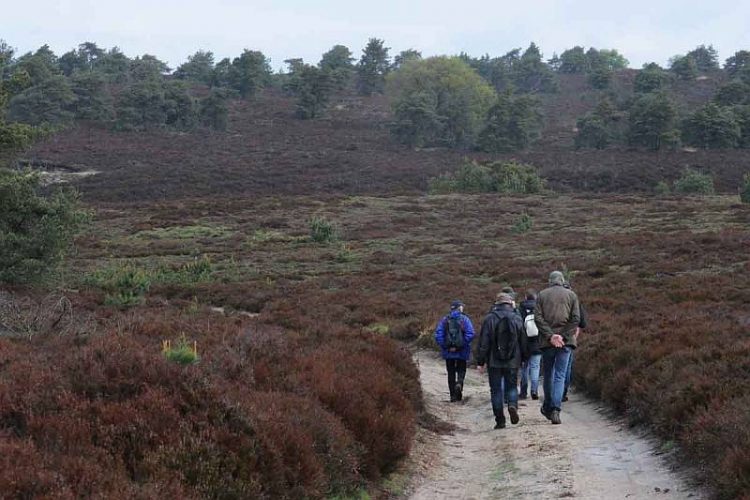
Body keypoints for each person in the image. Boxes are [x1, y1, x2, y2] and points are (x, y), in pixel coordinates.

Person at [476, 292, 527, 429]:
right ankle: (512, 405)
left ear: (496, 304)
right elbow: (523, 340)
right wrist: (524, 358)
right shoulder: (517, 318)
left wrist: (480, 362)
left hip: (494, 361)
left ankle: (500, 420)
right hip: (513, 360)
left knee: (496, 390)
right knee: (511, 386)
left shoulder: (489, 318)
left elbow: (484, 343)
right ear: (511, 303)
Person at [534, 271, 580, 425]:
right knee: (560, 375)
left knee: (548, 375)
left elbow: (538, 318)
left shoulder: (541, 295)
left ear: (550, 281)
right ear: (562, 280)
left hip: (547, 343)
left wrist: (551, 336)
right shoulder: (571, 295)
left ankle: (548, 406)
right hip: (566, 343)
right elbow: (576, 319)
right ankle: (555, 409)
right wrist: (563, 336)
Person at [434, 300, 475, 402]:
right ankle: (459, 383)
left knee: (451, 372)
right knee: (462, 369)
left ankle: (453, 396)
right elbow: (470, 333)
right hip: (462, 351)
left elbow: (438, 334)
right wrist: (461, 345)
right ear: (459, 308)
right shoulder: (464, 319)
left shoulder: (445, 320)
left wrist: (446, 346)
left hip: (449, 352)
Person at [562, 281, 588, 402]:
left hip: (552, 338)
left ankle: (554, 393)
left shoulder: (551, 299)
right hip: (570, 338)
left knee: (553, 368)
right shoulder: (575, 300)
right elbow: (583, 323)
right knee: (566, 368)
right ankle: (563, 392)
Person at [518, 290, 542, 400]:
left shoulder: (521, 309)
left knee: (524, 368)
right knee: (535, 367)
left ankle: (523, 392)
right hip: (537, 343)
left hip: (524, 344)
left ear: (525, 297)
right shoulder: (540, 308)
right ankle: (534, 390)